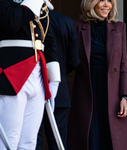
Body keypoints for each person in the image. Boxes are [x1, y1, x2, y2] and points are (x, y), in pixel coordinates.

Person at [67, 0, 127, 150]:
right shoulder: (77, 26)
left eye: (110, 1)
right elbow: (69, 59)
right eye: (102, 0)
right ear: (91, 3)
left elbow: (123, 65)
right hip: (87, 90)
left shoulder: (119, 27)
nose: (107, 5)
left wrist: (124, 96)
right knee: (90, 137)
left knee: (113, 139)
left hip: (111, 92)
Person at [0, 0, 61, 149]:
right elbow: (12, 21)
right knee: (8, 139)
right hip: (13, 73)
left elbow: (48, 41)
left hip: (37, 74)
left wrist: (54, 79)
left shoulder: (40, 5)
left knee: (29, 141)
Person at [36, 4, 80, 150]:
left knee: (32, 141)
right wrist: (59, 75)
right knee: (58, 142)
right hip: (59, 91)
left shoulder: (28, 18)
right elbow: (74, 61)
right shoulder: (66, 21)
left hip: (31, 86)